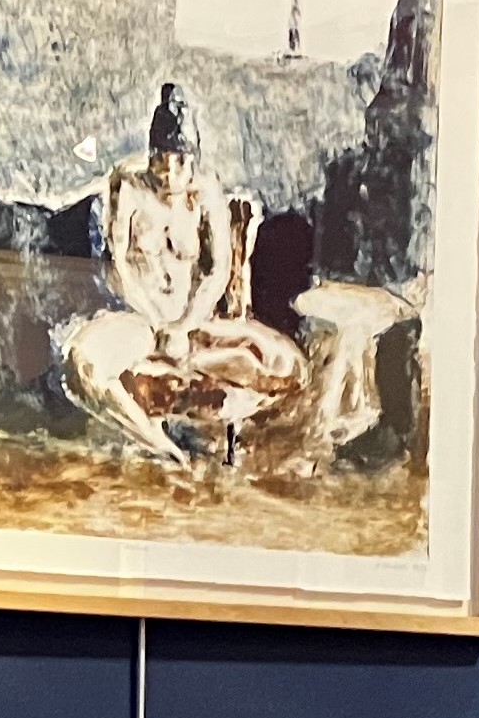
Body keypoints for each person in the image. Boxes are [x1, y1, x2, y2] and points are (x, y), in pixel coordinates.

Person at [59, 82, 303, 464]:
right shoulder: (129, 185)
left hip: (196, 324)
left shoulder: (206, 192)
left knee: (288, 364)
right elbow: (117, 263)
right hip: (140, 320)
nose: (170, 173)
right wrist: (156, 322)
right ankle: (162, 448)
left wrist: (184, 325)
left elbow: (217, 270)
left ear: (194, 159)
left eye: (180, 162)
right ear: (151, 155)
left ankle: (208, 440)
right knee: (83, 363)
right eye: (162, 159)